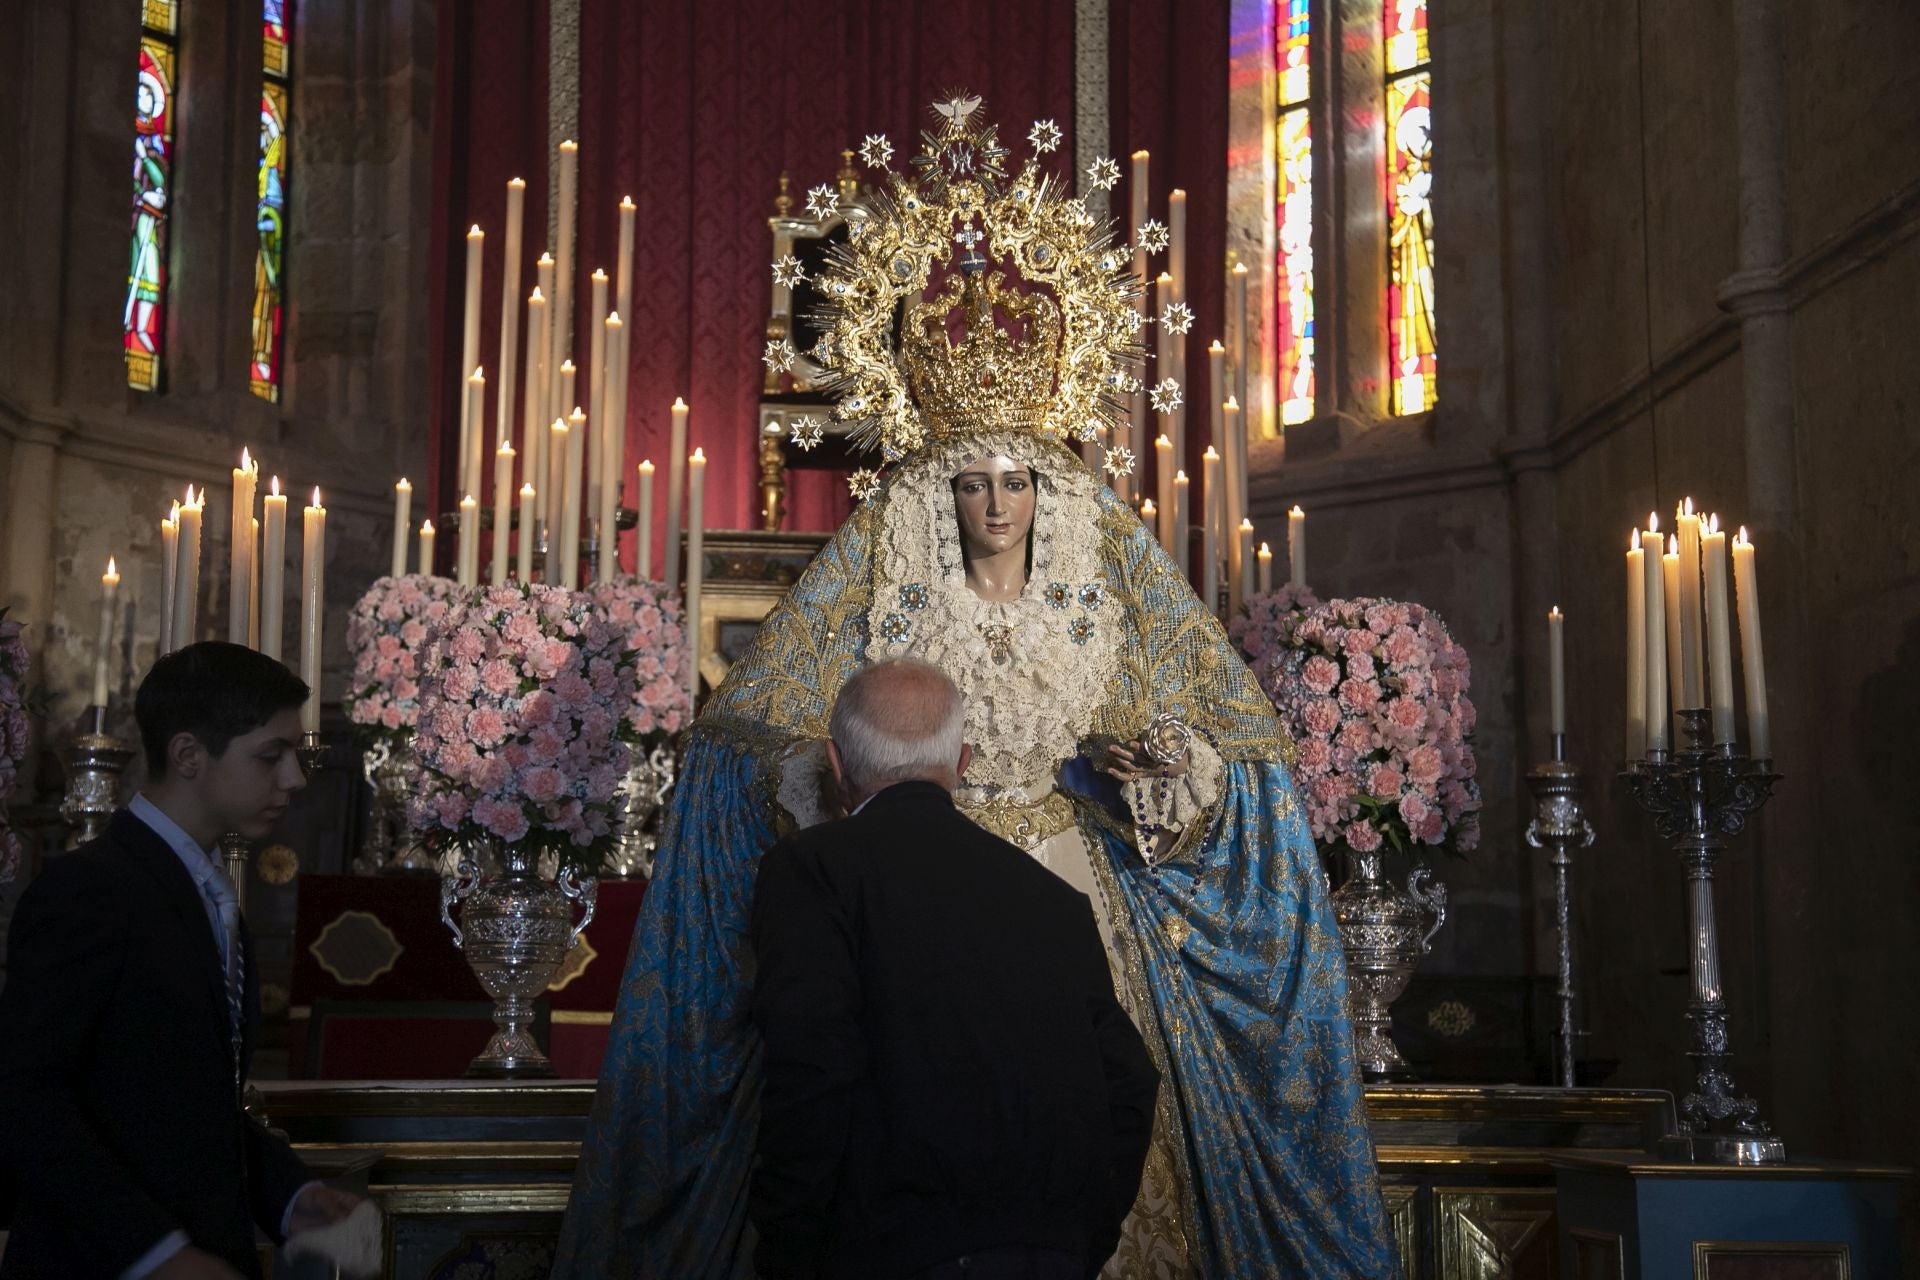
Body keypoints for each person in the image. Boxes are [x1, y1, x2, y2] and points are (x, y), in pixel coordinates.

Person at [557, 96, 1395, 1277]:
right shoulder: (887, 584)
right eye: (970, 482)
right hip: (904, 905)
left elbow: (1224, 745)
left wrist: (1162, 772)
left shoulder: (1108, 589)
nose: (995, 501)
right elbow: (761, 726)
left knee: (1081, 1102)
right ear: (936, 492)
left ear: (1047, 492)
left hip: (1062, 892)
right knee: (904, 1107)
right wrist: (808, 773)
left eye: (1016, 479)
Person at [749, 660, 1159, 1280]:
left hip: (885, 1250)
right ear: (962, 761)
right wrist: (1077, 1237)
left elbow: (811, 1072)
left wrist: (788, 1251)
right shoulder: (1050, 897)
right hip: (1045, 1251)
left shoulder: (814, 869)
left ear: (835, 764)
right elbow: (1130, 1080)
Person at [0, 642, 365, 1279]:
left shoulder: (207, 892)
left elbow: (184, 1102)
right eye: (271, 756)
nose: (295, 780)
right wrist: (156, 1254)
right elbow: (23, 1098)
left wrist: (291, 1198)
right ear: (190, 754)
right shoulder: (88, 891)